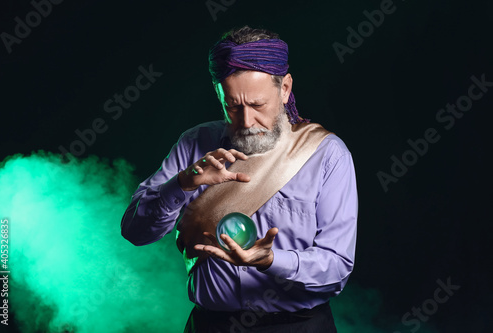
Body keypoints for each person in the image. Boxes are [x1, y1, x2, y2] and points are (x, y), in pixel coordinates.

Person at [121, 25, 358, 332]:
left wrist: (272, 260)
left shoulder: (326, 155)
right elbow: (135, 233)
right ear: (218, 93)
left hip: (298, 326)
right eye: (232, 106)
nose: (246, 121)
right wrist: (181, 185)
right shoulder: (194, 144)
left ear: (285, 88)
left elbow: (337, 268)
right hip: (211, 324)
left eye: (258, 105)